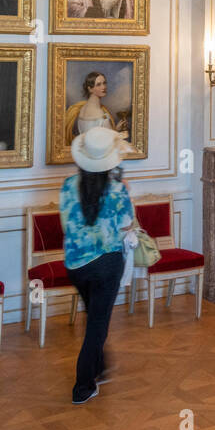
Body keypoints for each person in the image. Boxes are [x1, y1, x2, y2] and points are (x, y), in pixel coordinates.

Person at [59, 127, 137, 405]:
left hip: (76, 265)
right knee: (97, 325)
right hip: (106, 264)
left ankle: (101, 367)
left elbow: (65, 223)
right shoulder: (117, 190)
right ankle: (83, 386)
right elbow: (126, 225)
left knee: (94, 315)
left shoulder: (68, 185)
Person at [64, 71, 116, 147]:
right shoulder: (100, 113)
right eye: (98, 84)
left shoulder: (82, 108)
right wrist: (117, 132)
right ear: (90, 89)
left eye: (104, 83)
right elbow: (110, 142)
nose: (103, 87)